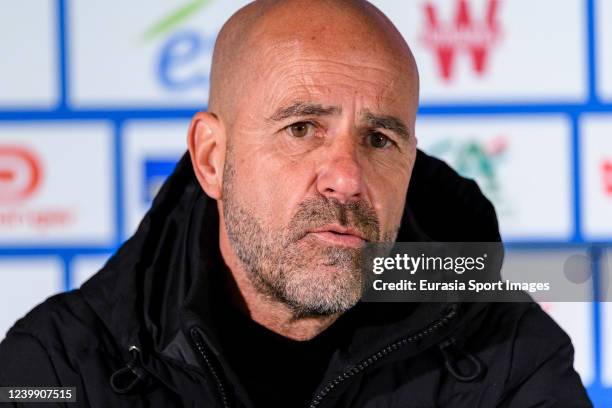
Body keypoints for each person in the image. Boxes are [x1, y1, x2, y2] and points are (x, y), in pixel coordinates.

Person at [0, 0, 592, 407]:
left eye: (380, 139)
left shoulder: (511, 356)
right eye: (303, 128)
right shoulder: (59, 368)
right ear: (211, 159)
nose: (346, 178)